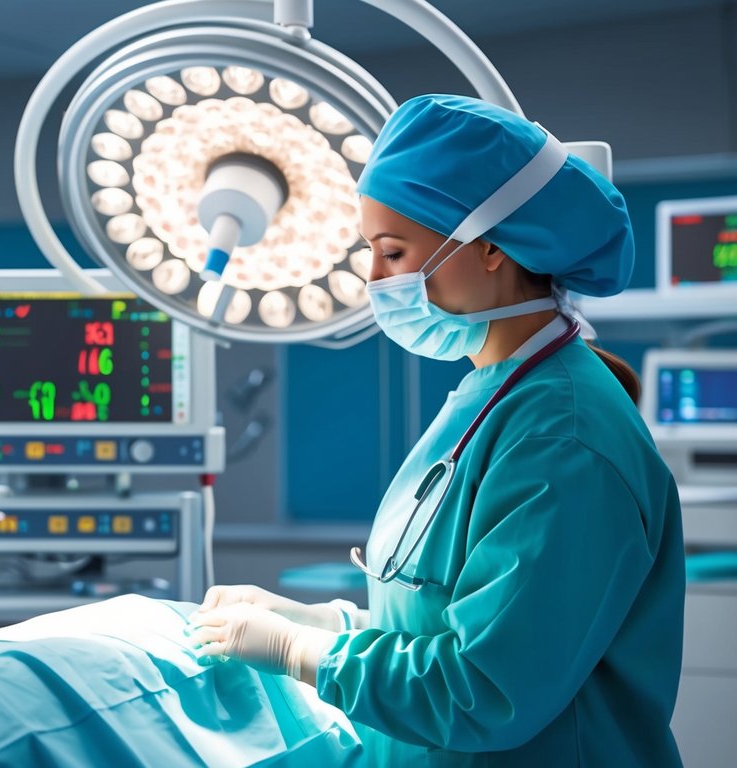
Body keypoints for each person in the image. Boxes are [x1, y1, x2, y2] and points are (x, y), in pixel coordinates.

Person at [188, 95, 685, 766]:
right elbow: (451, 621)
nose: (372, 279)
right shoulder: (493, 394)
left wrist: (297, 653)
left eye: (391, 252)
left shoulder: (560, 437)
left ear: (488, 248)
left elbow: (485, 687)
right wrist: (319, 622)